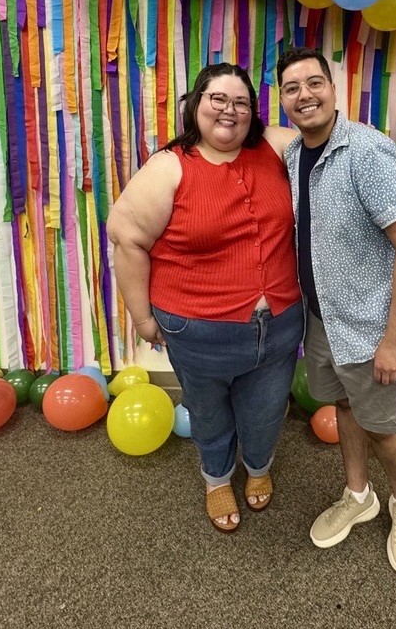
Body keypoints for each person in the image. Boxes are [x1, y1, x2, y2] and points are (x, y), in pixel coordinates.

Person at [107, 63, 302, 533]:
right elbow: (126, 238)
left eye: (240, 102)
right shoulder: (170, 167)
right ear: (195, 104)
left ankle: (257, 468)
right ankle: (217, 479)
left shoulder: (275, 148)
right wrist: (142, 319)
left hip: (277, 328)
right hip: (197, 332)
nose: (229, 110)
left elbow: (330, 137)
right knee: (209, 413)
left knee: (266, 413)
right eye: (217, 98)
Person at [276, 47, 396, 575]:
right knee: (343, 406)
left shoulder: (367, 151)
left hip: (372, 324)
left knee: (385, 425)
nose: (304, 95)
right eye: (292, 88)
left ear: (333, 89)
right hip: (325, 318)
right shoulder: (295, 156)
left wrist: (393, 338)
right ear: (283, 101)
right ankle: (358, 495)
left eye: (313, 83)